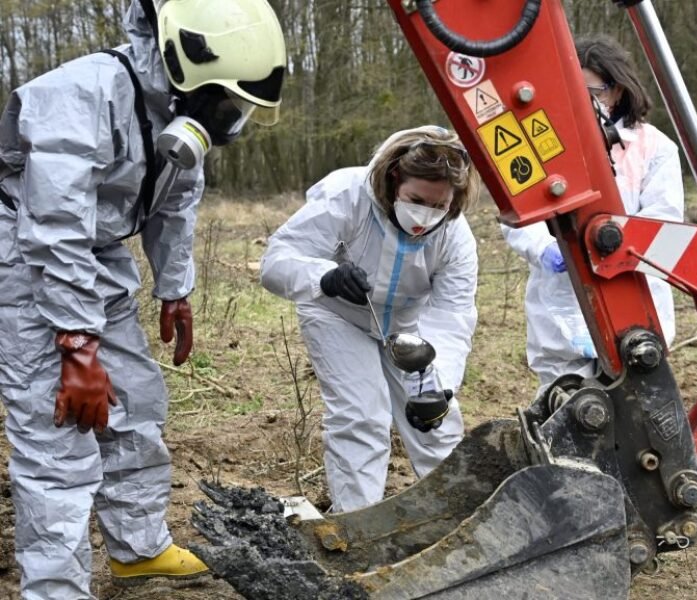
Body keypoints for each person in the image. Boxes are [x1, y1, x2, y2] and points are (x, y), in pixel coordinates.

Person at [0, 0, 286, 596]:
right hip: (26, 253)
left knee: (133, 400)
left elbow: (176, 201)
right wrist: (77, 346)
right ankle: (54, 588)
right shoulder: (78, 97)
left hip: (96, 251)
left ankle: (138, 548)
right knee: (60, 428)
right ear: (184, 69)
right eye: (225, 102)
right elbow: (54, 231)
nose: (230, 120)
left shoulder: (176, 117)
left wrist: (174, 288)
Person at [260, 125, 480, 513]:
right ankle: (357, 523)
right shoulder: (346, 196)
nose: (423, 218)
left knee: (436, 421)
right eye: (416, 200)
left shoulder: (454, 237)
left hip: (407, 327)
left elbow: (451, 313)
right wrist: (324, 277)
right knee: (363, 416)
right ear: (394, 177)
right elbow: (276, 262)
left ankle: (459, 517)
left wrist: (439, 383)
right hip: (337, 314)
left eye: (438, 207)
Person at [502, 34, 685, 388]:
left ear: (617, 90)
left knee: (636, 409)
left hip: (632, 301)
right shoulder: (535, 143)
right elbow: (517, 216)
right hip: (560, 305)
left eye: (594, 93)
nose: (583, 104)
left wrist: (609, 248)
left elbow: (662, 221)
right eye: (570, 92)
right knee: (564, 408)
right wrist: (545, 248)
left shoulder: (655, 148)